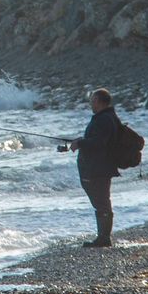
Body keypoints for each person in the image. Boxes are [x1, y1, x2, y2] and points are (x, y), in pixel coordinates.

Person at [60, 88, 122, 248]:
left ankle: (104, 238)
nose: (91, 104)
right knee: (102, 202)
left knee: (101, 202)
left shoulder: (104, 119)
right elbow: (97, 140)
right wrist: (77, 142)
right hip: (100, 167)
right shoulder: (107, 117)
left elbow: (99, 143)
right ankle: (103, 237)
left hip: (98, 169)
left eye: (93, 100)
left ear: (101, 102)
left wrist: (80, 143)